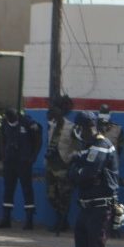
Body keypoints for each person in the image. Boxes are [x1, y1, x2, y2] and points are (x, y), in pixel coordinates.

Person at [63, 111, 119, 247]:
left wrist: (77, 169)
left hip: (100, 207)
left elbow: (87, 174)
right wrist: (76, 170)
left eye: (78, 127)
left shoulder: (100, 146)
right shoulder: (87, 148)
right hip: (86, 206)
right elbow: (72, 174)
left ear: (85, 127)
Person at [0, 108, 42, 230]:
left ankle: (29, 220)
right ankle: (6, 218)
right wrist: (3, 154)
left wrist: (33, 156)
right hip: (10, 161)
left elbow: (38, 139)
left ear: (17, 116)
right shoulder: (5, 123)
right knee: (8, 189)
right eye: (9, 119)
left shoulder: (27, 123)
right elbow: (2, 139)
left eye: (13, 119)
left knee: (27, 189)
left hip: (24, 161)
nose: (11, 121)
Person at [45, 95, 78, 234]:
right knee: (51, 196)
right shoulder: (51, 125)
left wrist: (69, 159)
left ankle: (61, 222)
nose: (54, 111)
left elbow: (77, 148)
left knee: (64, 196)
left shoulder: (71, 127)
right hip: (51, 166)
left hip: (64, 166)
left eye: (56, 109)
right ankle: (61, 219)